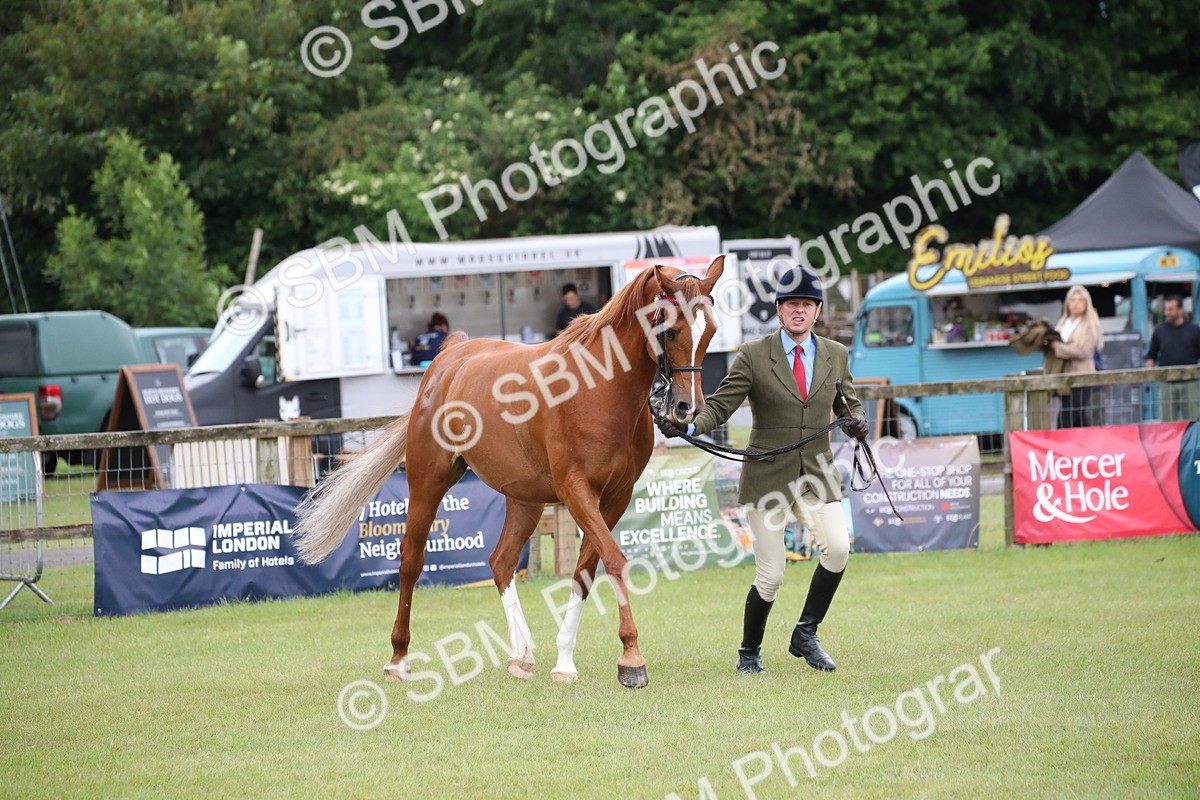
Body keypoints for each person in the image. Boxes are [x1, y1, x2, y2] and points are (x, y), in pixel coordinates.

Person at [657, 267, 869, 676]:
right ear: (779, 309)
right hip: (769, 476)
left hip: (817, 473)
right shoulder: (754, 355)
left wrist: (856, 421)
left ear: (817, 311)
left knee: (838, 550)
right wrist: (688, 425)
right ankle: (749, 652)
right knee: (771, 576)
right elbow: (720, 406)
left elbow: (849, 404)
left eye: (806, 305)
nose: (798, 311)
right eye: (791, 305)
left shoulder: (836, 355)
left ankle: (806, 633)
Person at [1049, 285, 1103, 429]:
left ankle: (1061, 449)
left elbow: (1085, 352)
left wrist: (1059, 348)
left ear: (1086, 303)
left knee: (1065, 419)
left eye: (1080, 300)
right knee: (1078, 420)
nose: (1076, 303)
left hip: (1081, 377)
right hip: (1064, 377)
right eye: (1072, 300)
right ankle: (1083, 450)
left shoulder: (1089, 325)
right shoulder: (1062, 323)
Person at [1144, 295, 1200, 421]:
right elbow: (1151, 356)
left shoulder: (1194, 330)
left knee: (1193, 421)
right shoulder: (1159, 331)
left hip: (1189, 382)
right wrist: (1149, 377)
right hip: (1166, 382)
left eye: (1171, 309)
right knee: (1166, 423)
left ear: (1180, 310)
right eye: (1166, 309)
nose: (1167, 312)